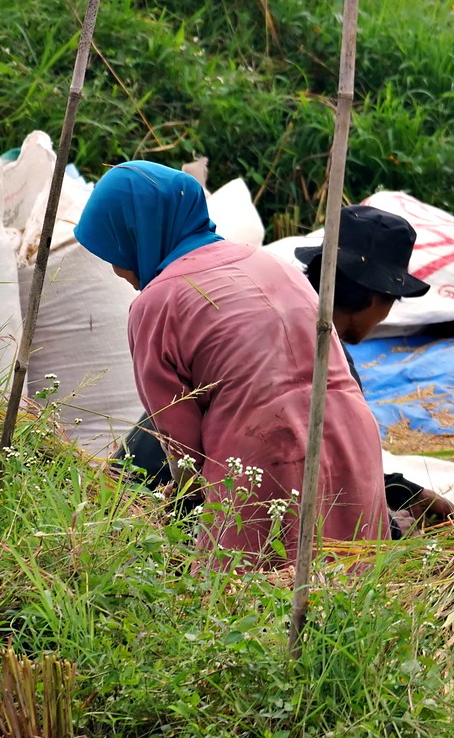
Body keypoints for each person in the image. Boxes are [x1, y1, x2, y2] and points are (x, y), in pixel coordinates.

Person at [76, 162, 389, 565]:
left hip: (264, 459)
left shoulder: (156, 304)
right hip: (355, 441)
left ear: (137, 234)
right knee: (351, 594)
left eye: (115, 252)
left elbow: (183, 451)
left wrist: (179, 521)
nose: (118, 271)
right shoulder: (272, 263)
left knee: (249, 609)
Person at [296, 204, 454, 532]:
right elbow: (326, 469)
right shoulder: (330, 366)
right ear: (375, 298)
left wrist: (405, 493)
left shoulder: (284, 320)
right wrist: (390, 530)